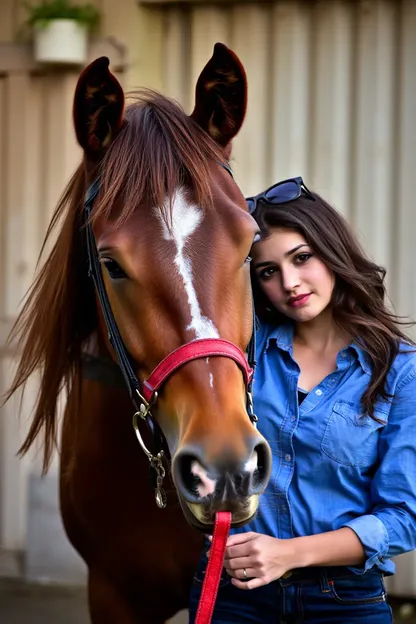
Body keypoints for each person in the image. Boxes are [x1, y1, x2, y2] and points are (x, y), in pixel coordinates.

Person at [188, 177, 416, 623]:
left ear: (334, 254)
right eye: (268, 271)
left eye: (302, 258)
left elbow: (403, 518)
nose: (290, 283)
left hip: (344, 601)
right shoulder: (242, 354)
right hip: (234, 593)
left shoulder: (400, 370)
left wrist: (287, 554)